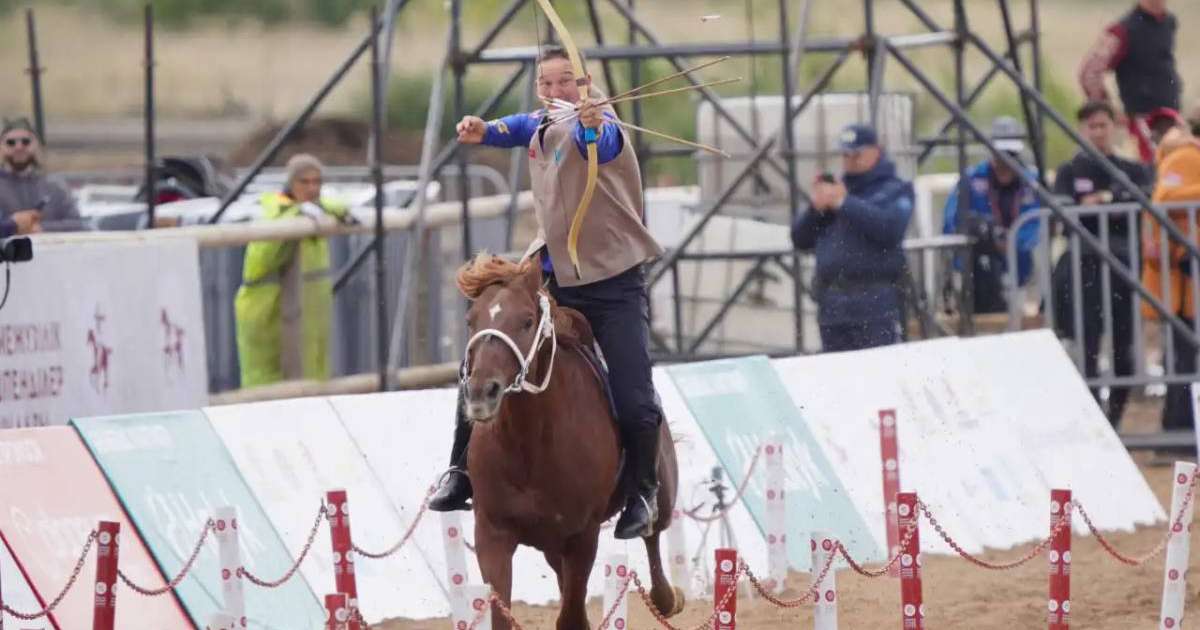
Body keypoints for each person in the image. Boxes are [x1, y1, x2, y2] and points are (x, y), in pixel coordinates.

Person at [430, 45, 666, 541]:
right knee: (487, 356)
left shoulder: (604, 129)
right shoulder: (543, 122)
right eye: (547, 83)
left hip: (613, 284)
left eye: (567, 82)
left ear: (586, 84)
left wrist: (590, 120)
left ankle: (643, 492)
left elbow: (589, 138)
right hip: (554, 274)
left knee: (634, 393)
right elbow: (524, 126)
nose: (556, 92)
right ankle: (459, 471)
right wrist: (487, 130)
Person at [1050, 101, 1153, 427]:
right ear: (1081, 130)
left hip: (1124, 270)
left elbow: (1141, 200)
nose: (1098, 132)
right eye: (1091, 126)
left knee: (1125, 349)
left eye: (1103, 125)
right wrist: (1112, 201)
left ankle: (1116, 419)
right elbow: (1064, 213)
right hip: (1085, 270)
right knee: (1088, 346)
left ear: (1114, 127)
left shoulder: (1132, 169)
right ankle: (1095, 420)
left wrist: (1100, 201)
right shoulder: (1070, 172)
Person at [790, 124, 913, 352]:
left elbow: (889, 230)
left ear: (875, 151)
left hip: (874, 304)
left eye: (856, 154)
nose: (850, 160)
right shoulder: (837, 189)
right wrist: (815, 209)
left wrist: (844, 204)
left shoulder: (894, 189)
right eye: (845, 155)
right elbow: (800, 239)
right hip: (833, 306)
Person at [233, 153, 352, 388]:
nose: (312, 188)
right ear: (290, 183)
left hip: (307, 312)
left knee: (314, 374)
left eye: (317, 182)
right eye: (304, 182)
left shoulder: (317, 213)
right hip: (265, 310)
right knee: (265, 380)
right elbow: (265, 255)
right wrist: (299, 213)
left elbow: (337, 205)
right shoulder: (273, 212)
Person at [942, 116, 1041, 314]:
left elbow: (1037, 225)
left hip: (1017, 272)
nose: (1004, 162)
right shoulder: (971, 179)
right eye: (999, 154)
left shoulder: (1032, 183)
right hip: (975, 274)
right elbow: (951, 222)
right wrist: (981, 235)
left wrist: (1010, 243)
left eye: (1010, 155)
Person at [1140, 123, 1200, 433]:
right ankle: (1178, 425)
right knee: (1182, 353)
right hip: (1181, 273)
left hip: (1185, 276)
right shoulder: (1184, 156)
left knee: (1183, 352)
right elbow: (1165, 197)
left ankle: (1181, 424)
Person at [1078, 0, 1181, 163]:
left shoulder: (1168, 22)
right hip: (1144, 124)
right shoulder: (1122, 31)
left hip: (1171, 120)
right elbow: (1090, 73)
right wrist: (1108, 110)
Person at [0, 117, 83, 234]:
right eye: (11, 143)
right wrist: (12, 226)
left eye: (25, 142)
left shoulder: (54, 185)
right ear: (1, 147)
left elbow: (78, 224)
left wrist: (42, 228)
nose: (19, 147)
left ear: (37, 145)